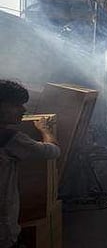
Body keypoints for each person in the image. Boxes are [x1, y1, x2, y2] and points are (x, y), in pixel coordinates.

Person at [0, 80, 61, 248]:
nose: (23, 110)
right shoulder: (9, 138)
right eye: (16, 105)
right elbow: (53, 151)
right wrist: (45, 130)